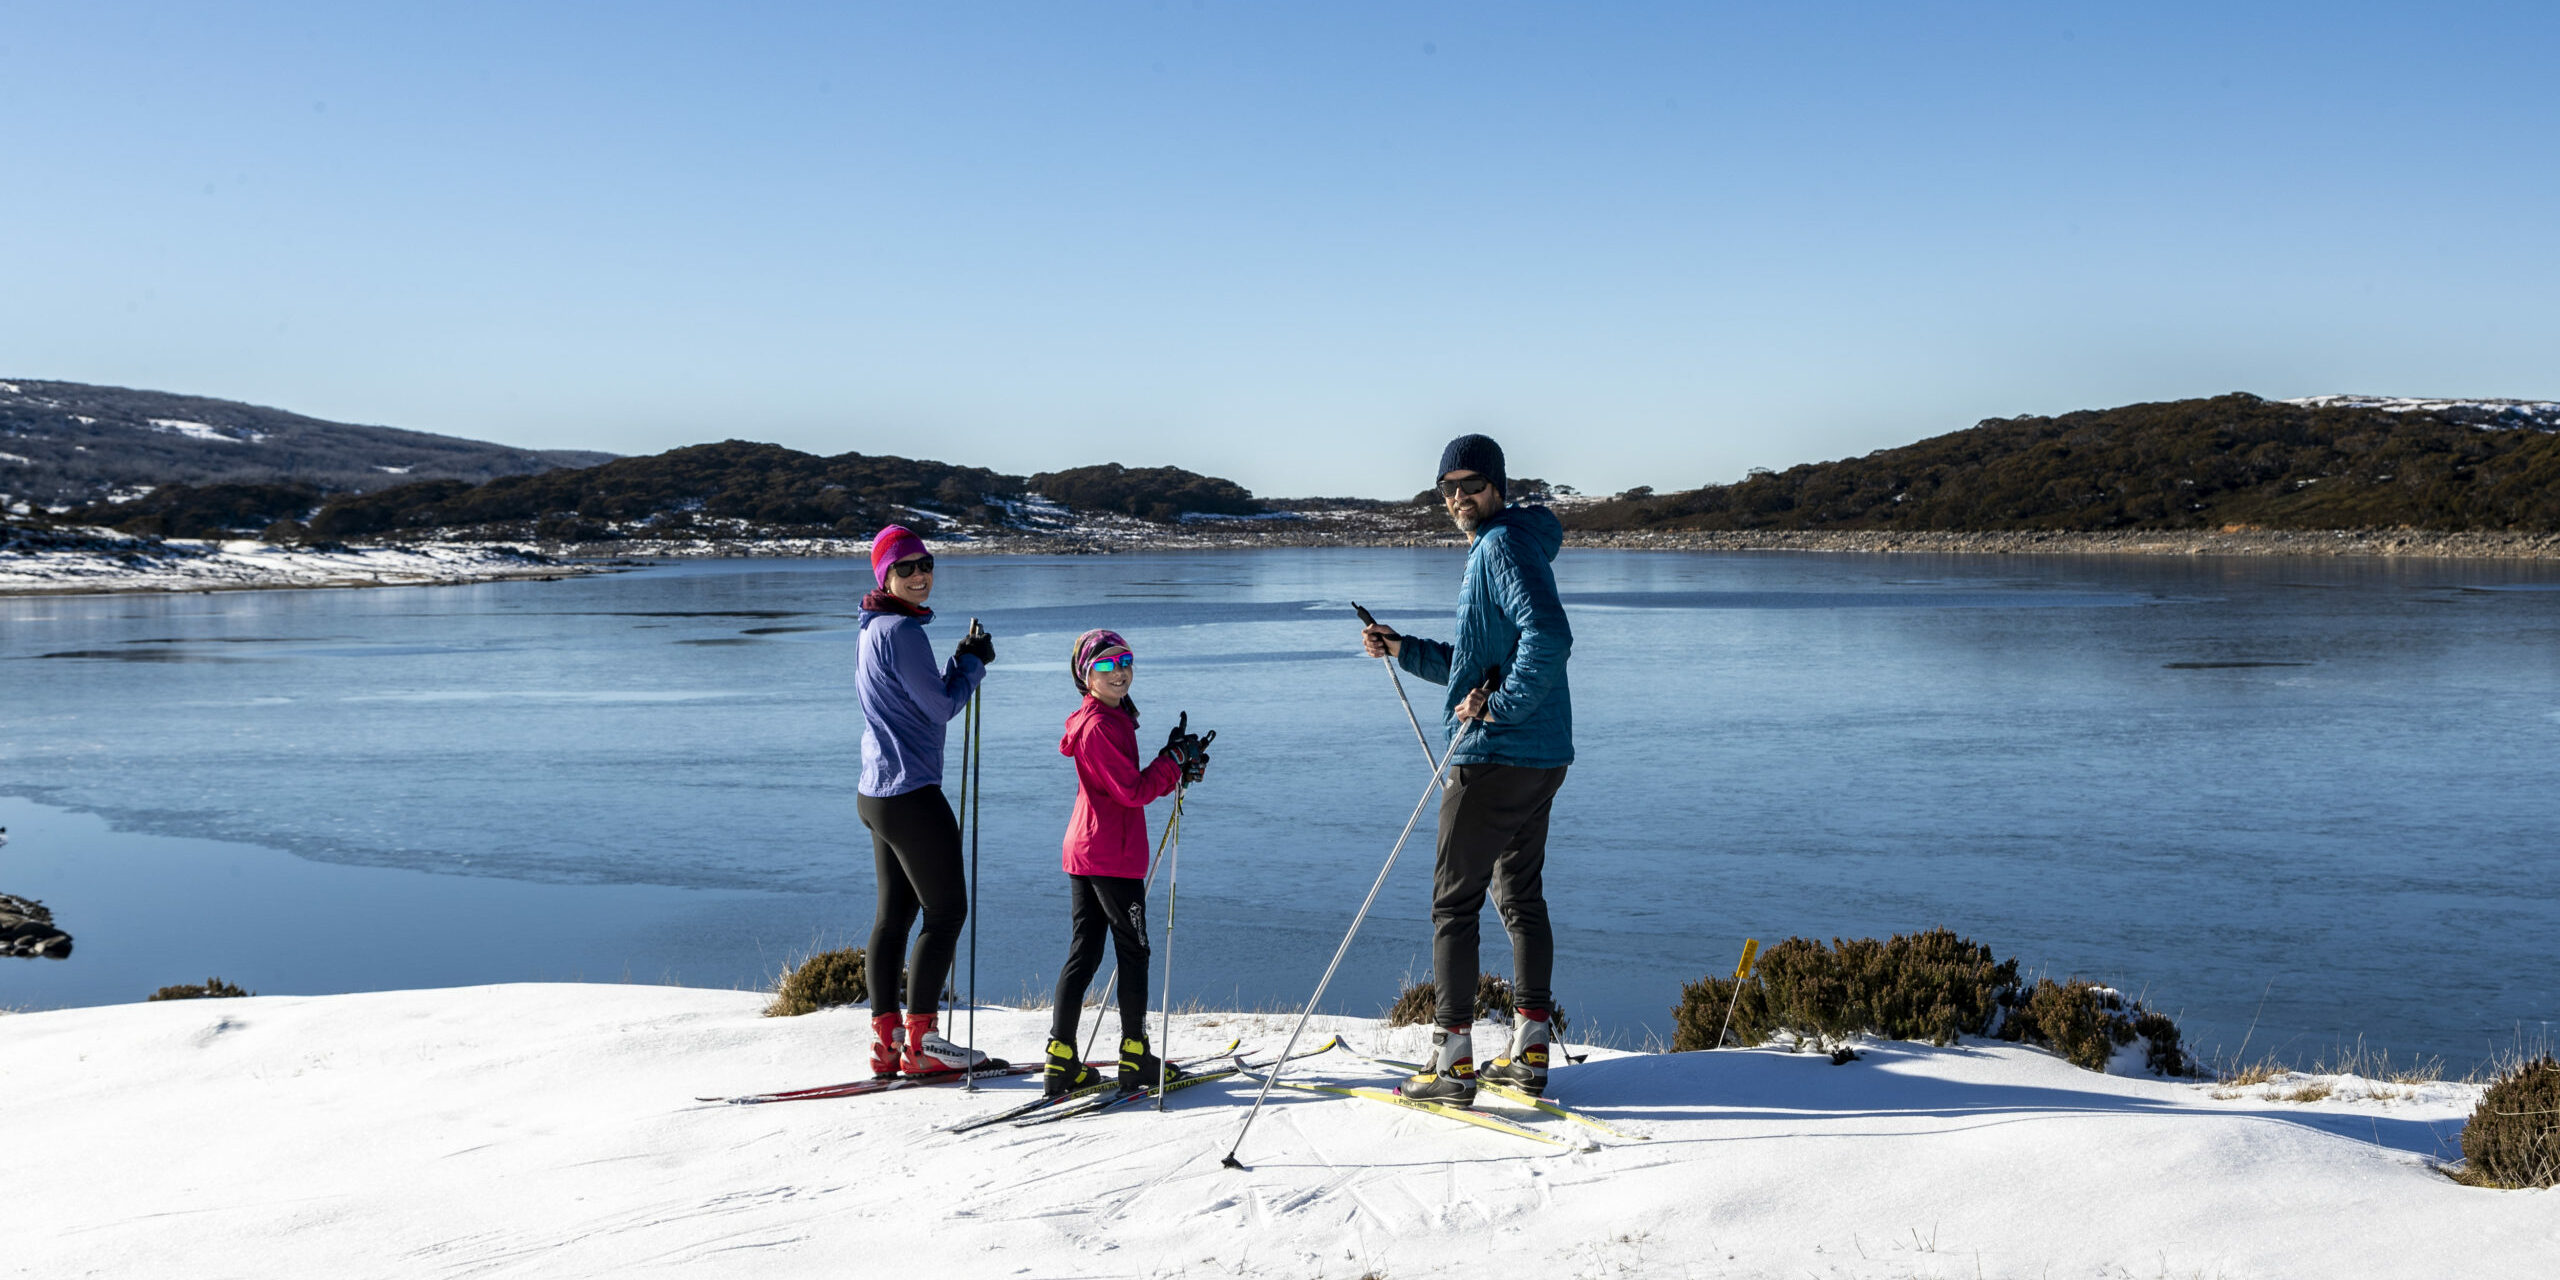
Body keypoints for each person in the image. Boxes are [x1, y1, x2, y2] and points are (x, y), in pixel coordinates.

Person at [1360, 434, 1573, 1104]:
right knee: (1520, 898)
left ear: (1499, 485)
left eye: (1471, 484)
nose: (1457, 497)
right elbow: (1475, 666)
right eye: (1447, 487)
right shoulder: (1517, 542)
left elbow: (1549, 636)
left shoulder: (1500, 545)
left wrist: (1498, 709)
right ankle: (1530, 1051)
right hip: (1541, 756)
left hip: (1496, 757)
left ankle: (1451, 1062)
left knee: (1454, 904)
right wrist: (1404, 649)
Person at [1043, 628, 1213, 1097]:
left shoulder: (1110, 718)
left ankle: (1062, 1060)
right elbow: (1131, 791)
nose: (1118, 672)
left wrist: (1170, 759)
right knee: (1133, 951)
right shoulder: (1099, 726)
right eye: (1105, 665)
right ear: (1085, 676)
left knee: (1087, 952)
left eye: (1125, 662)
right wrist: (1173, 764)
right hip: (1109, 854)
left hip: (1091, 848)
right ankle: (1135, 1056)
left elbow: (1129, 781)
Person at [855, 524, 999, 1078]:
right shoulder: (903, 631)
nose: (919, 574)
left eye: (925, 563)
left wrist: (959, 663)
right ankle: (922, 1042)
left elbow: (912, 700)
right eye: (906, 568)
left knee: (893, 918)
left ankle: (889, 1041)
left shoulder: (872, 627)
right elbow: (939, 709)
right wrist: (972, 664)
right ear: (885, 576)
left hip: (876, 792)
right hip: (912, 793)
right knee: (946, 912)